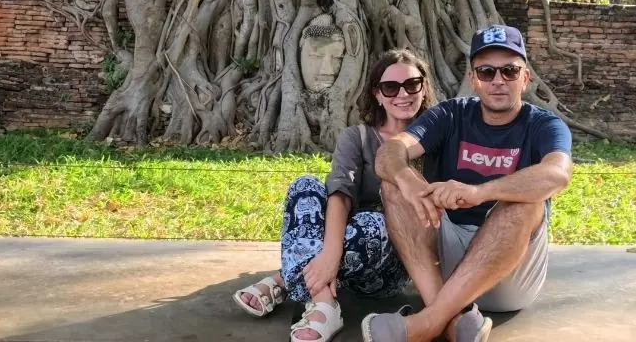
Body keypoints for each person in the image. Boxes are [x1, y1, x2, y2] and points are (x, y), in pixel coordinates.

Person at [363, 25, 574, 342]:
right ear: (473, 78)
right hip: (450, 260)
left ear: (525, 78)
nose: (498, 80)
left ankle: (426, 324)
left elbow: (557, 174)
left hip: (511, 270)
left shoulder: (544, 125)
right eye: (487, 71)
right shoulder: (451, 115)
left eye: (509, 71)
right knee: (394, 184)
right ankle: (453, 318)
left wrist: (480, 192)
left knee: (527, 203)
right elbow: (391, 151)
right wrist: (406, 178)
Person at [233, 49, 437, 342]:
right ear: (377, 94)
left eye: (412, 84)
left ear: (424, 87)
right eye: (391, 87)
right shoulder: (359, 137)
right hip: (342, 249)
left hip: (389, 264)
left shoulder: (436, 140)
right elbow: (339, 195)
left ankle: (284, 280)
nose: (402, 94)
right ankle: (325, 303)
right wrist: (329, 254)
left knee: (373, 223)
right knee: (305, 186)